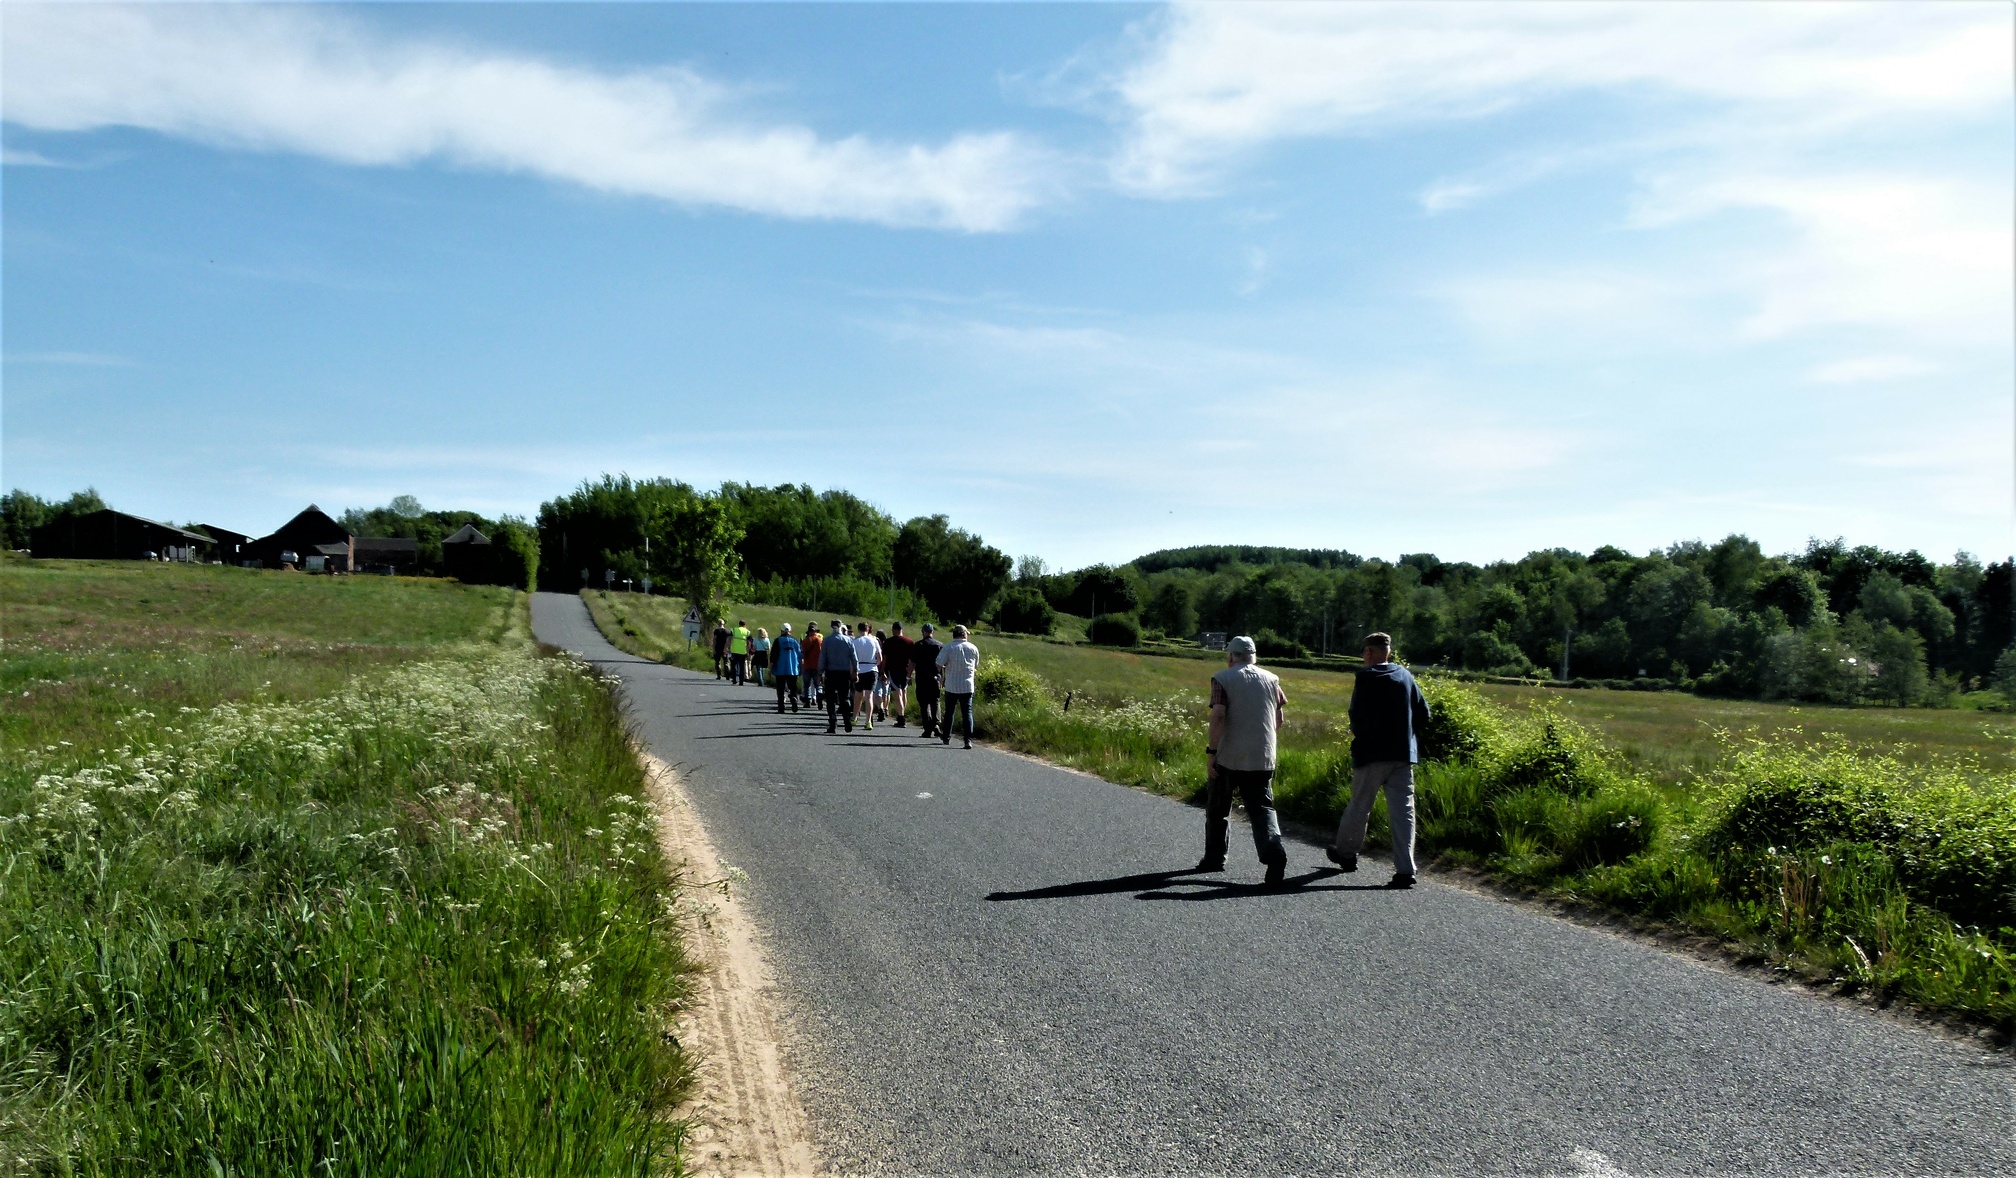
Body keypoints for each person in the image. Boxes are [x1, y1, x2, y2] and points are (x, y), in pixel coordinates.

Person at [1328, 631, 1431, 889]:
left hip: (1372, 754)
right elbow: (1424, 713)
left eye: (1365, 652)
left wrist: (1363, 737)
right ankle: (1406, 869)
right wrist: (1407, 735)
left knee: (1360, 805)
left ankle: (1346, 853)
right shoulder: (1405, 675)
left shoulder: (1366, 678)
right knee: (1404, 811)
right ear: (1389, 652)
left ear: (1370, 652)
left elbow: (1356, 717)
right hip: (1403, 754)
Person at [1199, 635, 1290, 886]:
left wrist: (1212, 752)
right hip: (1262, 755)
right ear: (1253, 657)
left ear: (1231, 656)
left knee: (1218, 808)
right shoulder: (1272, 679)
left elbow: (1219, 715)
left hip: (1229, 755)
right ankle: (1273, 852)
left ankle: (1215, 857)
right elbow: (1279, 718)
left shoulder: (1222, 679)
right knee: (1262, 808)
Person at [935, 624, 980, 749]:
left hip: (952, 685)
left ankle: (946, 736)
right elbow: (975, 665)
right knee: (967, 713)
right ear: (964, 634)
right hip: (967, 685)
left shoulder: (948, 647)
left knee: (949, 712)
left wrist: (945, 668)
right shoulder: (973, 648)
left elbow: (938, 663)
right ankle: (968, 740)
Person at [819, 617, 859, 732]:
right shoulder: (848, 640)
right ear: (841, 627)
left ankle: (833, 723)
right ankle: (847, 720)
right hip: (844, 673)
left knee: (830, 699)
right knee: (844, 697)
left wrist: (820, 671)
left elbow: (822, 657)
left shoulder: (827, 640)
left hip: (831, 672)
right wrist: (856, 670)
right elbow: (854, 657)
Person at [911, 623, 943, 738]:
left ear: (923, 632)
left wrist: (909, 676)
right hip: (935, 678)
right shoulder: (939, 645)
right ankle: (936, 723)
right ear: (932, 632)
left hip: (921, 678)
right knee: (935, 701)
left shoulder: (918, 645)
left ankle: (927, 728)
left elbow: (912, 662)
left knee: (924, 704)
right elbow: (943, 663)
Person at [850, 622, 882, 730]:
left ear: (859, 629)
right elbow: (880, 657)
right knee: (869, 696)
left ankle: (854, 717)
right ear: (868, 629)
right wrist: (875, 664)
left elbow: (852, 658)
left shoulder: (855, 642)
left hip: (859, 669)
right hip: (871, 669)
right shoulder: (874, 641)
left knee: (858, 695)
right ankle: (868, 721)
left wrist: (853, 670)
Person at [883, 621, 914, 728]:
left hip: (893, 670)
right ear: (901, 630)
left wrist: (883, 671)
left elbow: (885, 659)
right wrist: (910, 673)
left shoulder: (888, 642)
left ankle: (901, 717)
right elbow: (912, 660)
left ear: (893, 630)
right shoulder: (909, 642)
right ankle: (902, 713)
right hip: (905, 670)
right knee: (904, 692)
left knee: (897, 694)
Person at [771, 623, 803, 713]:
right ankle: (793, 698)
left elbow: (773, 655)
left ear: (781, 631)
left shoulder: (778, 640)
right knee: (793, 687)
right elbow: (800, 655)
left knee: (780, 689)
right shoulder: (795, 641)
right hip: (793, 669)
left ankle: (781, 707)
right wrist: (800, 667)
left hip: (780, 668)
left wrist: (771, 666)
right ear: (790, 631)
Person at [800, 622, 824, 706]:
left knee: (807, 685)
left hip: (807, 665)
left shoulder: (805, 641)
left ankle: (808, 701)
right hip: (817, 665)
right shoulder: (820, 641)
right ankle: (819, 696)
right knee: (818, 684)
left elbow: (802, 654)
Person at [729, 620, 752, 686]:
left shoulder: (734, 630)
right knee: (742, 667)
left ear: (739, 624)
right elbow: (749, 643)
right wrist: (747, 651)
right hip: (742, 651)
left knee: (733, 666)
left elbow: (729, 639)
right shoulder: (747, 632)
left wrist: (727, 648)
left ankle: (734, 679)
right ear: (745, 625)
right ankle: (741, 681)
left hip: (734, 651)